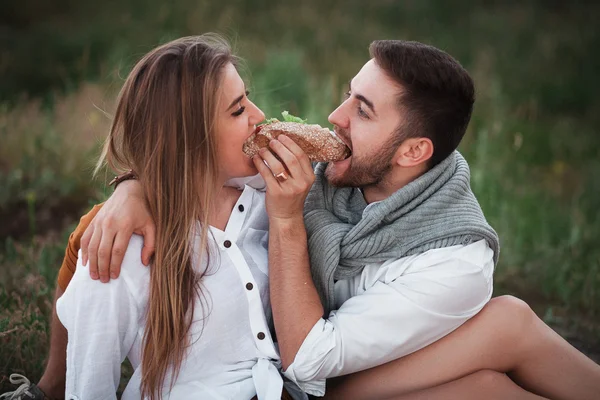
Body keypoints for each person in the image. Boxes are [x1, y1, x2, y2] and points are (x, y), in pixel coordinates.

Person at [4, 40, 600, 400]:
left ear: (414, 152)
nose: (333, 119)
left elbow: (312, 359)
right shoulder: (281, 184)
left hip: (322, 372)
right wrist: (131, 188)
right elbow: (168, 179)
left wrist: (287, 221)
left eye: (361, 111)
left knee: (499, 359)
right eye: (240, 108)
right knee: (506, 341)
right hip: (316, 377)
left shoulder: (450, 260)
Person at [1, 34, 306, 400]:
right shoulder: (125, 255)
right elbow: (88, 390)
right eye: (238, 110)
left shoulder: (269, 192)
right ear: (189, 137)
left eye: (247, 99)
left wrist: (131, 186)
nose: (259, 117)